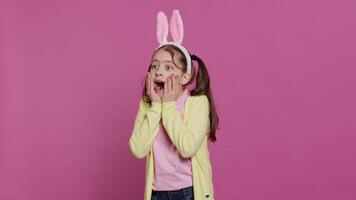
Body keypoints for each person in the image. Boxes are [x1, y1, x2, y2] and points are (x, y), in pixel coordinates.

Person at [129, 9, 219, 200]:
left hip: (189, 192)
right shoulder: (148, 105)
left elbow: (187, 148)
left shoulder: (197, 103)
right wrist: (155, 107)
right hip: (156, 194)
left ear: (185, 76)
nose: (159, 72)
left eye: (168, 67)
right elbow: (138, 149)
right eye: (155, 65)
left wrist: (168, 106)